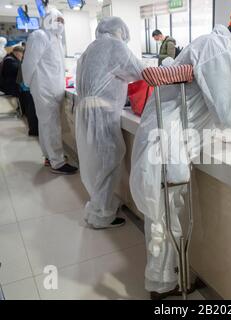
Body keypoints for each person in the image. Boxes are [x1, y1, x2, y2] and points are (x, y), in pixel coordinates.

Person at [130, 9, 231, 299]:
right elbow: (230, 114)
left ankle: (165, 278)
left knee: (167, 215)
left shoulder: (215, 47)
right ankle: (160, 285)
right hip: (167, 143)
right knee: (164, 216)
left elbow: (216, 104)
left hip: (173, 141)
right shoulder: (217, 48)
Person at [75, 17, 144, 229]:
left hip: (86, 109)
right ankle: (101, 214)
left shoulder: (91, 47)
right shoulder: (114, 45)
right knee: (108, 160)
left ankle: (101, 205)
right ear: (120, 32)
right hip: (102, 112)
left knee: (98, 162)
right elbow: (139, 71)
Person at [22, 8, 78, 174]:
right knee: (51, 125)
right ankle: (57, 162)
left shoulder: (56, 39)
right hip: (44, 89)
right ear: (48, 19)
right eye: (57, 20)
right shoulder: (40, 36)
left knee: (48, 125)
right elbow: (29, 63)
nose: (60, 24)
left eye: (62, 21)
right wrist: (29, 84)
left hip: (53, 88)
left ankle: (49, 156)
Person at [0, 46, 38, 136]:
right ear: (17, 52)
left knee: (26, 93)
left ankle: (26, 114)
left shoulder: (9, 59)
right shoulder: (10, 60)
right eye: (22, 54)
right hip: (9, 87)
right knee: (27, 95)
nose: (22, 56)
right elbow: (18, 69)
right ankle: (31, 122)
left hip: (10, 85)